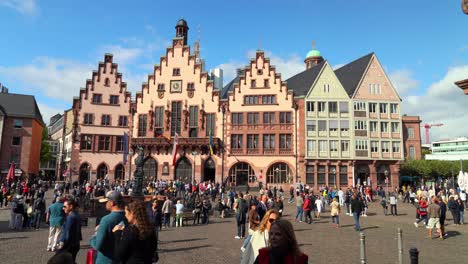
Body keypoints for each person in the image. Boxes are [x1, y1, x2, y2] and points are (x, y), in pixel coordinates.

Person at [90, 191, 127, 264]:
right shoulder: (127, 217)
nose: (105, 204)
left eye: (107, 202)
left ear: (112, 203)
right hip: (120, 259)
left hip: (105, 259)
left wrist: (94, 237)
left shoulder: (106, 220)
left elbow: (97, 245)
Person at [57, 198, 82, 262]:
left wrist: (62, 244)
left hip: (69, 246)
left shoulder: (70, 217)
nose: (63, 208)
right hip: (76, 244)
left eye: (65, 206)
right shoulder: (77, 215)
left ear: (71, 206)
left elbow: (67, 232)